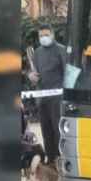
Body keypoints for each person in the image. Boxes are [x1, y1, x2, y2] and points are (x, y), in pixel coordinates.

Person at [28, 24, 66, 162]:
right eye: (41, 35)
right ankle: (50, 161)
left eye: (46, 34)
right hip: (42, 97)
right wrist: (31, 76)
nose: (43, 38)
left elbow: (68, 74)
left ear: (52, 35)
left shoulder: (61, 50)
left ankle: (61, 160)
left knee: (58, 131)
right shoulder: (37, 52)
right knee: (46, 131)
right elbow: (33, 74)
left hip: (57, 99)